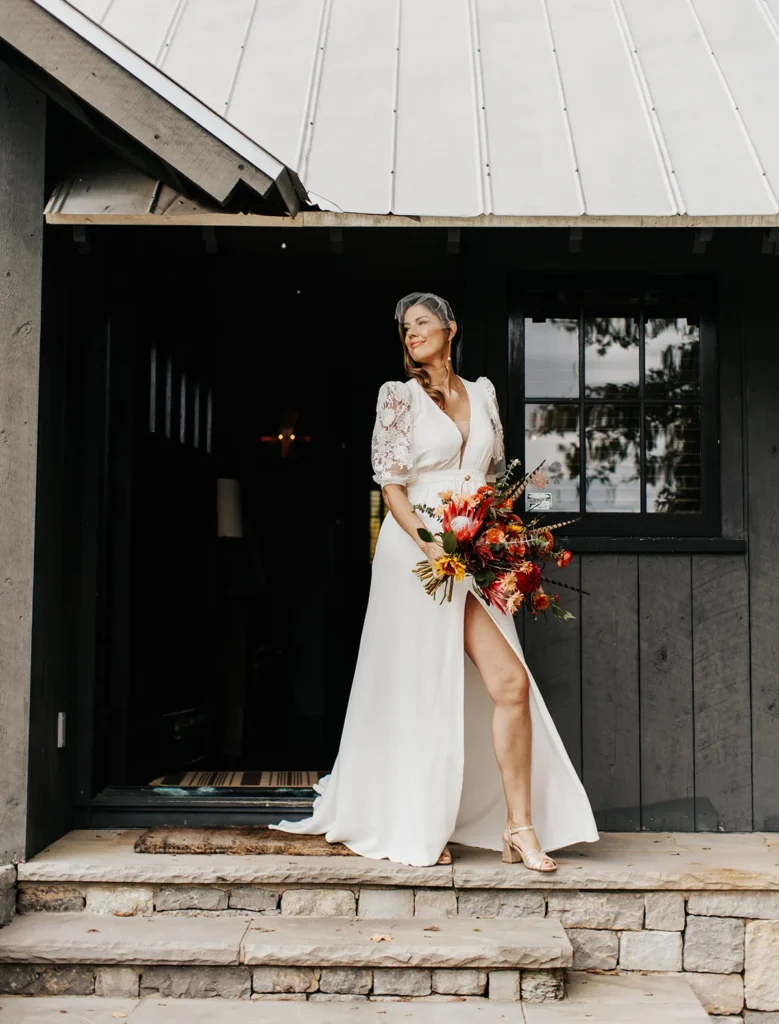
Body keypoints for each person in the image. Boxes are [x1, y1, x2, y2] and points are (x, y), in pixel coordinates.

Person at [271, 292, 598, 868]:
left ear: (451, 328)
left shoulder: (484, 392)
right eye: (404, 327)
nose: (411, 333)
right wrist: (430, 546)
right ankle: (416, 817)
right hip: (418, 552)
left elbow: (494, 481)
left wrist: (506, 549)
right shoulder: (397, 397)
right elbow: (391, 486)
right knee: (422, 684)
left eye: (422, 323)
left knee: (510, 685)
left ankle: (520, 827)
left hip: (475, 550)